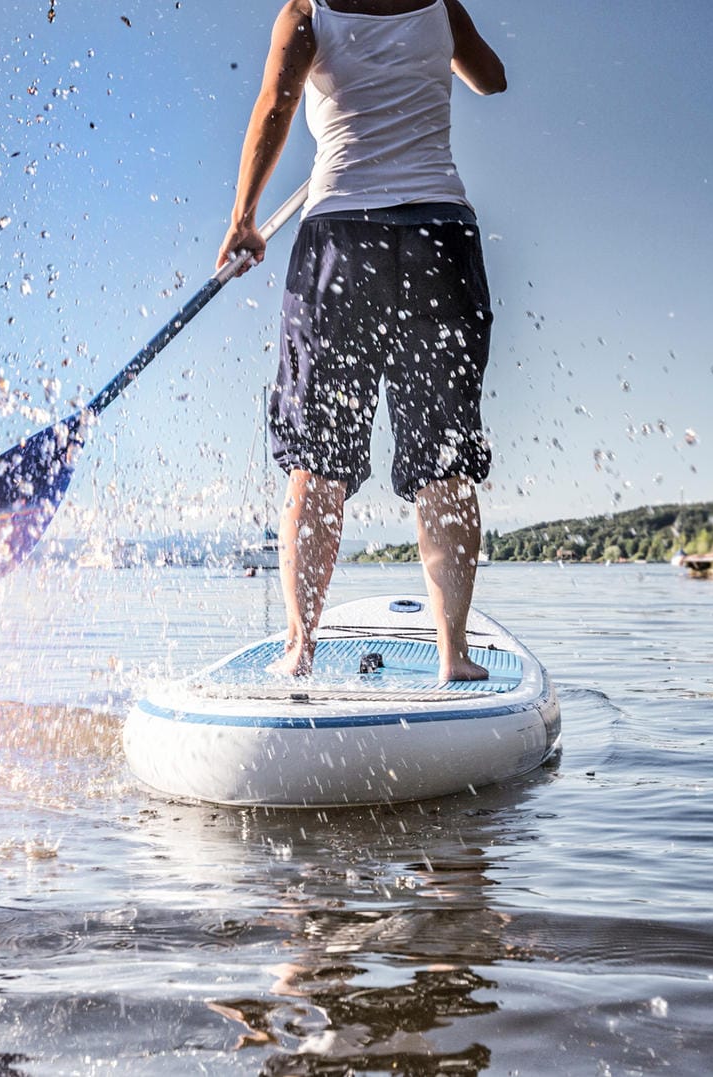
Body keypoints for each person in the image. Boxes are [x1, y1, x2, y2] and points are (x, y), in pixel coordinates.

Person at [217, 0, 507, 681]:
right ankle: (454, 655)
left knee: (317, 463)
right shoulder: (440, 5)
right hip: (440, 235)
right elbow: (490, 78)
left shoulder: (307, 12)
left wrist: (244, 218)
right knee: (445, 458)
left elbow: (274, 108)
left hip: (342, 239)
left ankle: (299, 648)